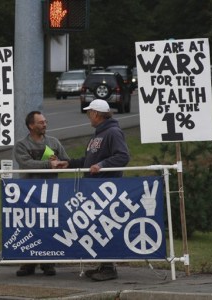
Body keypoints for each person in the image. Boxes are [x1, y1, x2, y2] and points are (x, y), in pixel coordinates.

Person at [57, 99, 130, 281]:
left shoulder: (113, 132)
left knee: (104, 229)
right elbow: (90, 160)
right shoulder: (98, 134)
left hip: (106, 189)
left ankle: (108, 268)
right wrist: (71, 163)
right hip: (94, 188)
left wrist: (103, 164)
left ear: (97, 114)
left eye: (90, 112)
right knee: (96, 228)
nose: (88, 115)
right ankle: (103, 264)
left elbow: (123, 156)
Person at [14, 110, 70, 276]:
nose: (45, 124)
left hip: (50, 192)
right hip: (29, 193)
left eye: (45, 121)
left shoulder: (54, 142)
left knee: (49, 227)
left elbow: (66, 160)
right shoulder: (22, 145)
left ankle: (48, 263)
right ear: (31, 125)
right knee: (28, 227)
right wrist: (49, 164)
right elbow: (26, 164)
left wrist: (61, 163)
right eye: (41, 122)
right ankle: (28, 264)